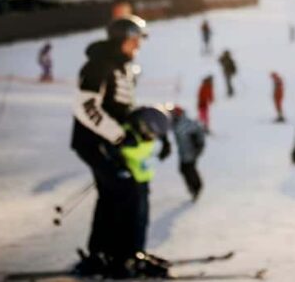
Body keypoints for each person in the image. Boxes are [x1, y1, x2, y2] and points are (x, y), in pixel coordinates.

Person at [71, 16, 171, 277]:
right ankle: (123, 257)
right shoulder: (98, 65)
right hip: (95, 143)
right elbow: (86, 106)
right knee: (126, 192)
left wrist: (148, 129)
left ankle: (105, 255)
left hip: (111, 144)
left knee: (113, 195)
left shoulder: (123, 66)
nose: (138, 44)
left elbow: (121, 108)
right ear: (121, 38)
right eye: (134, 38)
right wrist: (117, 136)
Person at [170, 106, 206, 199]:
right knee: (184, 169)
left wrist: (199, 145)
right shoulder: (176, 122)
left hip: (190, 151)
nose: (172, 116)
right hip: (183, 151)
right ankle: (193, 187)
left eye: (174, 114)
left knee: (188, 169)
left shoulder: (186, 123)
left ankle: (196, 186)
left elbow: (199, 131)